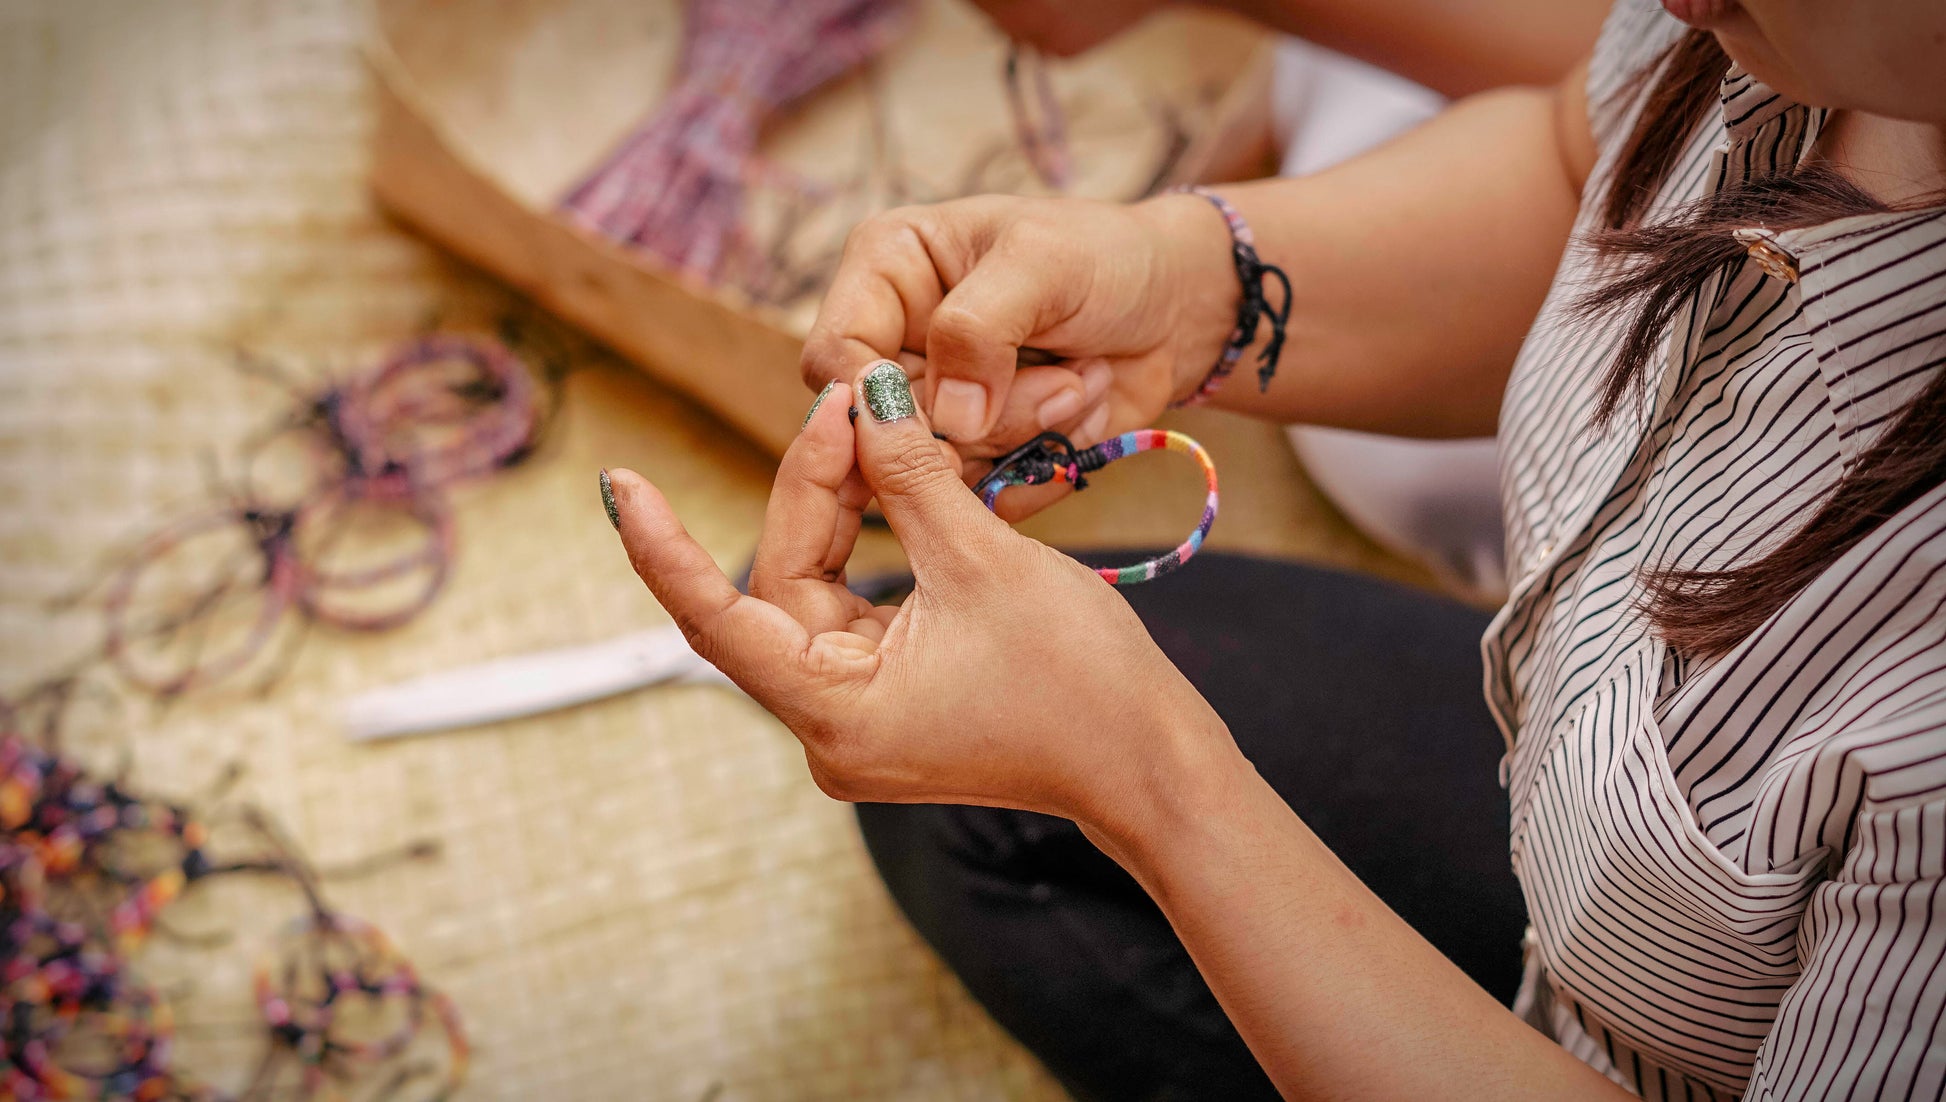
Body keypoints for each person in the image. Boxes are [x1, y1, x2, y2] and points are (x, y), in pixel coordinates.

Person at [602, 0, 1946, 1097]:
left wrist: (1154, 782)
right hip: (1565, 819)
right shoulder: (1806, 47)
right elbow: (1575, 172)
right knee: (962, 790)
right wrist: (1190, 286)